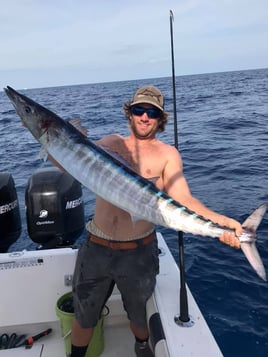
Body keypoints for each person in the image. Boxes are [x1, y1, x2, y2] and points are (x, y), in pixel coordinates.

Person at [66, 86, 242, 357]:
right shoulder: (111, 143)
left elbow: (183, 199)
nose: (145, 117)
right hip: (96, 247)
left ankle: (141, 347)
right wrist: (57, 136)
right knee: (84, 315)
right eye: (139, 110)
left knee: (138, 316)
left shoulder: (167, 154)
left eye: (152, 112)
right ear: (130, 113)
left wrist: (222, 223)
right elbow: (69, 159)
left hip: (138, 253)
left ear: (160, 119)